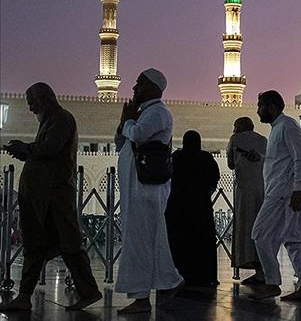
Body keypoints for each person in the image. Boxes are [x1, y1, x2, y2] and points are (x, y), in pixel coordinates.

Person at [0, 83, 101, 312]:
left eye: (33, 102)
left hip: (55, 197)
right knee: (36, 246)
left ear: (47, 98)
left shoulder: (61, 119)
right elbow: (45, 154)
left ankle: (88, 290)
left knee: (69, 244)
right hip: (41, 197)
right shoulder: (51, 120)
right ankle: (24, 296)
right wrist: (26, 151)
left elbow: (51, 148)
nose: (31, 108)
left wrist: (27, 148)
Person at [114, 69, 185, 315]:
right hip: (137, 189)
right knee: (148, 240)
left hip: (146, 189)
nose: (134, 88)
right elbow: (122, 142)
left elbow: (138, 134)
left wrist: (128, 121)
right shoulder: (144, 113)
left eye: (140, 83)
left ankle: (145, 296)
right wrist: (126, 122)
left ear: (155, 87)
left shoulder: (159, 112)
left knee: (142, 240)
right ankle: (169, 281)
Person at [249, 90, 301, 301]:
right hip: (281, 192)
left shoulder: (288, 125)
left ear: (272, 107)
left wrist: (297, 189)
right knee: (294, 240)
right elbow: (280, 160)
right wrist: (259, 157)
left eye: (260, 106)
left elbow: (300, 159)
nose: (258, 111)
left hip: (282, 194)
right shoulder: (278, 129)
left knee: (259, 234)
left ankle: (272, 282)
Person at [165, 130, 220, 287]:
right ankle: (206, 276)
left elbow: (168, 176)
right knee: (203, 242)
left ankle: (179, 275)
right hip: (201, 208)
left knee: (178, 241)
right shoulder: (206, 158)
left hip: (178, 208)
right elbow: (214, 179)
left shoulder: (176, 157)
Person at [226, 117, 268, 285]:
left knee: (245, 229)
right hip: (262, 191)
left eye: (235, 126)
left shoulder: (235, 139)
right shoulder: (263, 140)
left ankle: (250, 267)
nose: (233, 129)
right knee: (261, 230)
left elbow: (230, 164)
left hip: (243, 193)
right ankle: (262, 271)